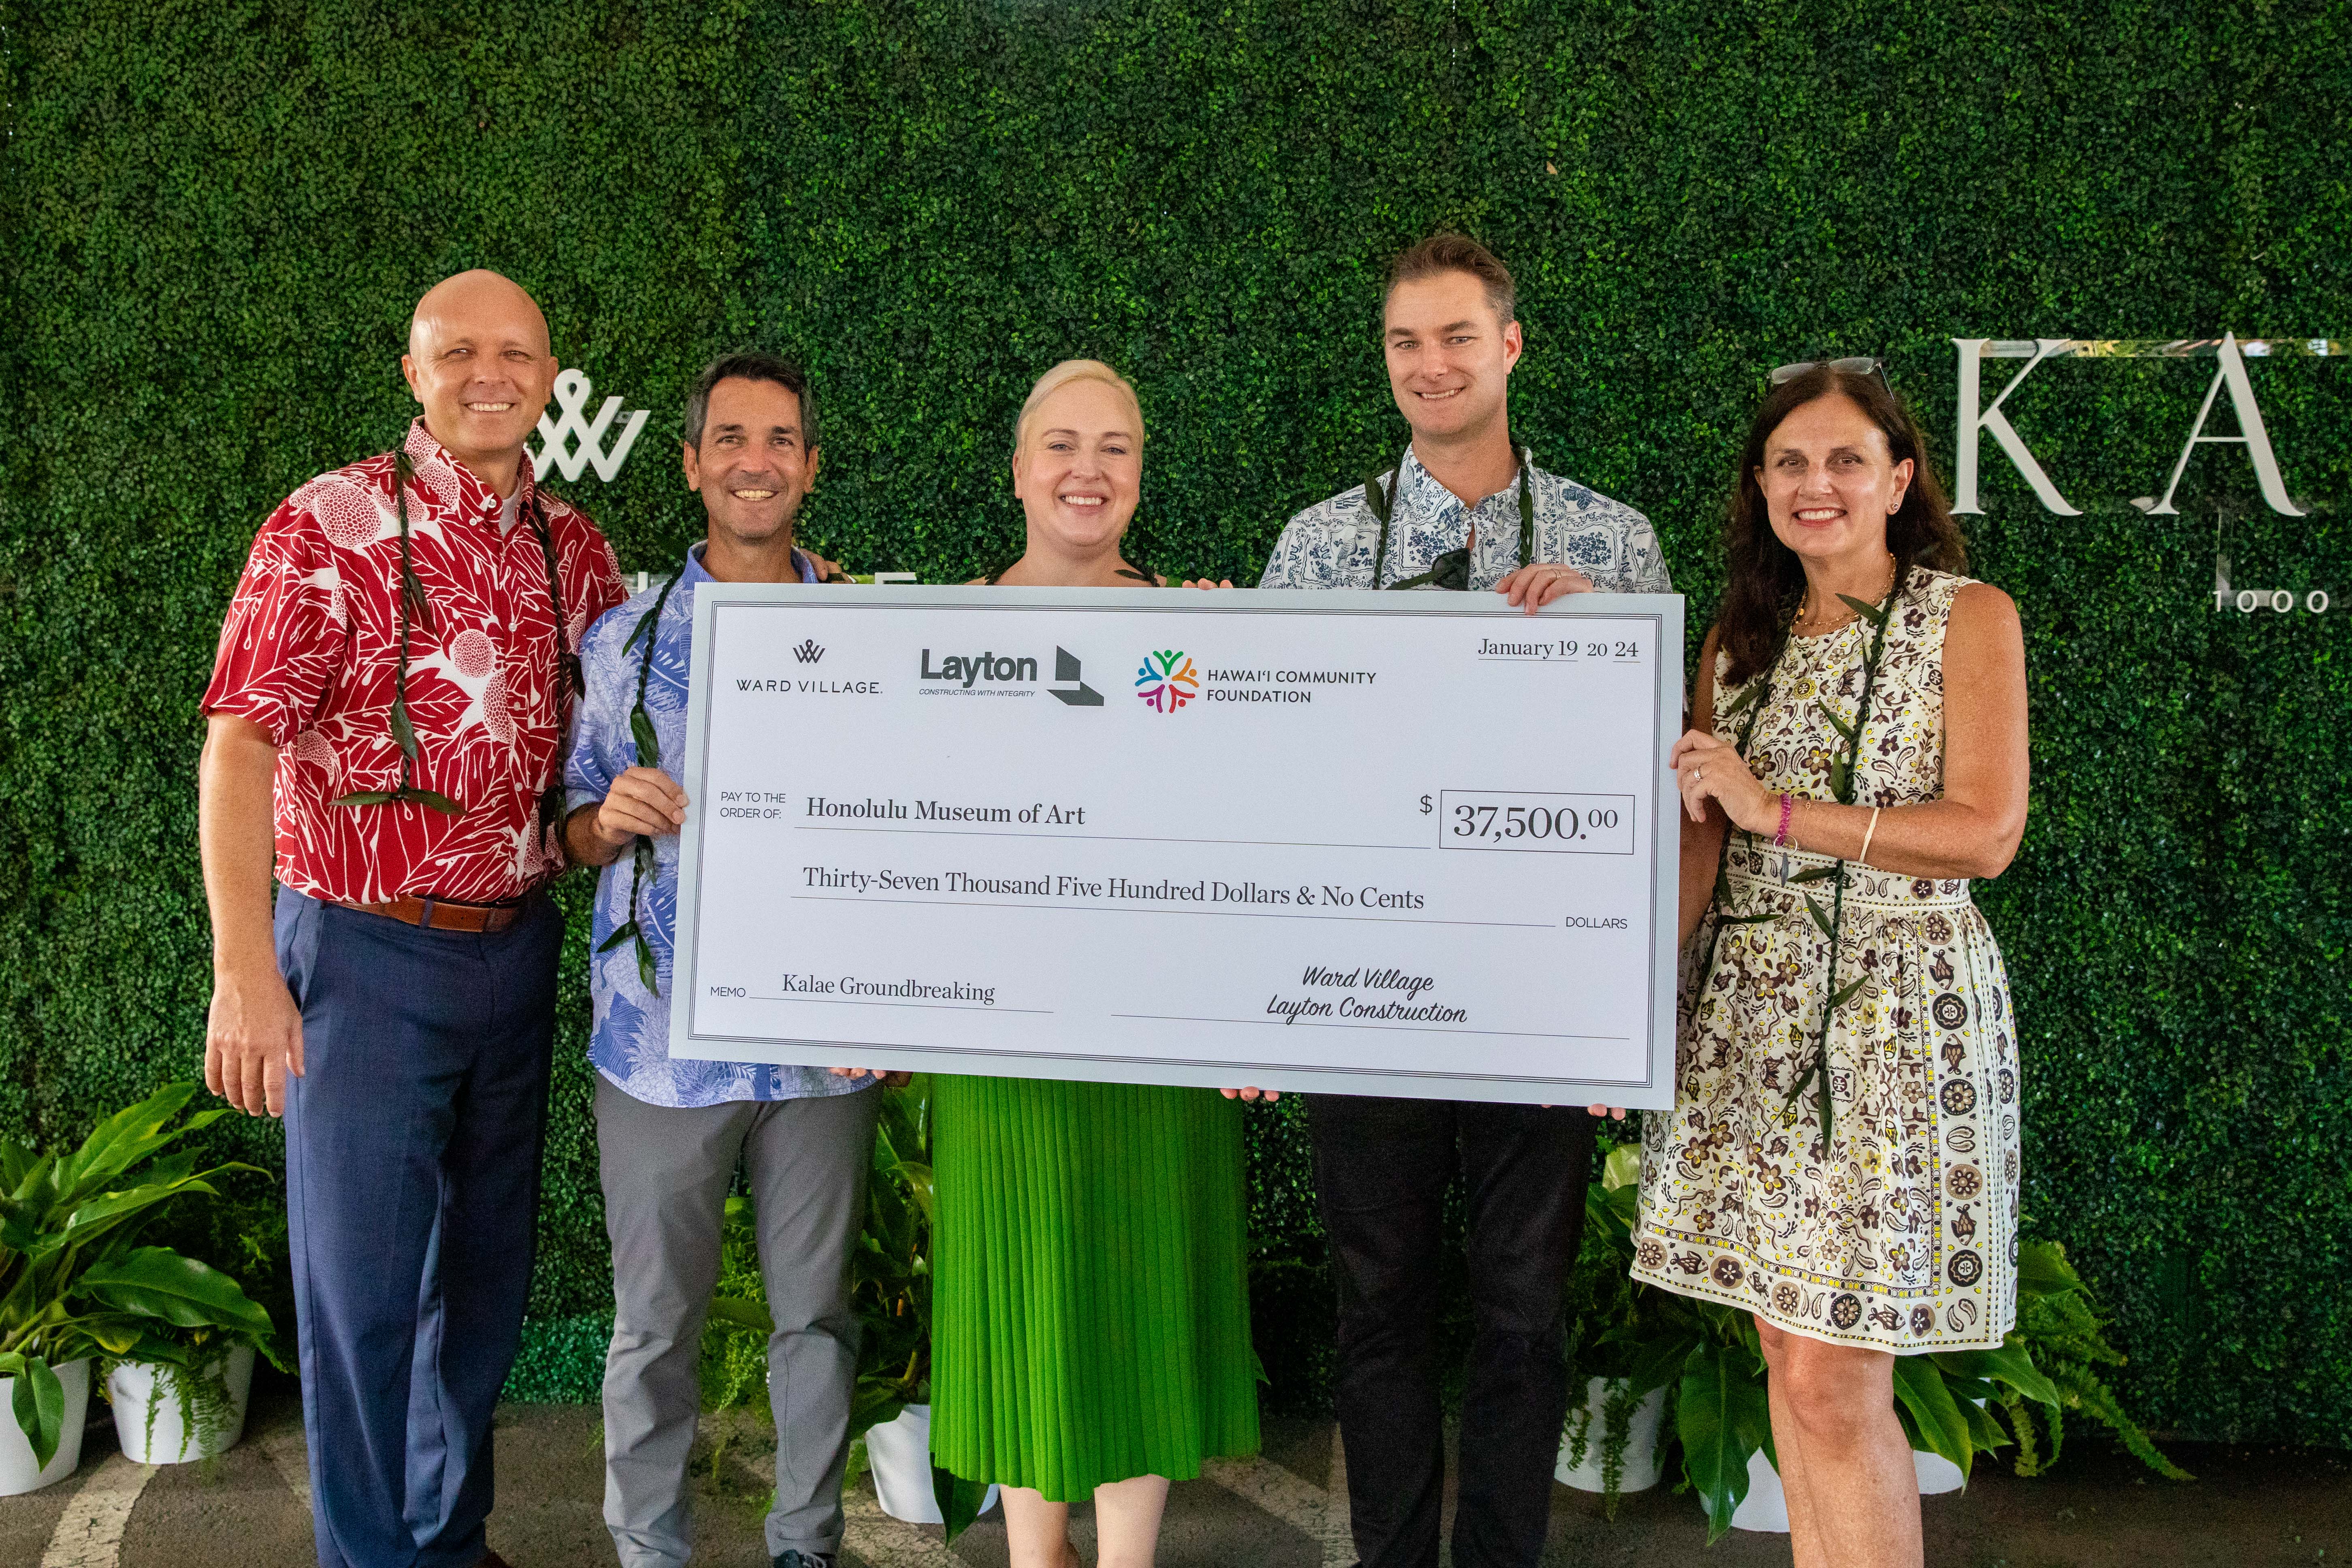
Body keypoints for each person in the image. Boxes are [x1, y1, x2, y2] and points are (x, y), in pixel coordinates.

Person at [1240, 233, 1673, 1568]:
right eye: (1404, 343)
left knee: (1522, 1314)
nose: (1430, 367)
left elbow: (1657, 794)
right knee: (1377, 1311)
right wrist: (1255, 1005)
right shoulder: (1318, 547)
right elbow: (1261, 779)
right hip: (1363, 1001)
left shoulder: (1614, 541)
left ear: (1510, 347)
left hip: (1536, 1005)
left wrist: (1620, 1020)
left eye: (1455, 339)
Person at [199, 269, 628, 1568]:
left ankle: (447, 1541)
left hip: (514, 952)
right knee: (363, 1303)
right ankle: (369, 1557)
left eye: (515, 352)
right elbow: (238, 749)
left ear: (549, 377)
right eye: (459, 351)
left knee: (480, 1295)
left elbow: (619, 751)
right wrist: (245, 973)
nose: (487, 373)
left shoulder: (577, 551)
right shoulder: (325, 525)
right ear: (414, 371)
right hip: (362, 955)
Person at [1635, 361, 2028, 1568]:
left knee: (1830, 1375)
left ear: (1900, 478)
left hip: (1894, 1022)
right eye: (1791, 463)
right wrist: (1630, 1008)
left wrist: (1780, 811)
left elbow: (1986, 832)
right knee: (1785, 1360)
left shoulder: (1968, 616)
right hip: (1748, 1025)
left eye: (1847, 459)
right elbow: (1701, 848)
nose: (1819, 484)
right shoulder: (1735, 643)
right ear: (1758, 488)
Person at [925, 360, 1260, 1568]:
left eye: (1115, 447)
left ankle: (1126, 1559)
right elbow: (887, 830)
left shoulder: (1201, 629)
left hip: (1158, 1037)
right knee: (1021, 1268)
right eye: (1063, 444)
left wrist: (1253, 1018)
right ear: (1019, 471)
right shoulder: (932, 633)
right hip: (998, 1035)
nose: (1087, 469)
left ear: (1138, 476)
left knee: (1137, 1282)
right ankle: (1033, 1553)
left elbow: (1247, 829)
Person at [562, 352, 883, 1568]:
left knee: (816, 1319)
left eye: (782, 440)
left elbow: (915, 831)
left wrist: (899, 1012)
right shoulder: (622, 642)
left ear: (809, 465)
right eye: (732, 439)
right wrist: (610, 821)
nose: (758, 460)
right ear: (692, 462)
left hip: (820, 1055)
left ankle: (805, 1544)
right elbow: (571, 830)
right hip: (661, 1050)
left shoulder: (869, 632)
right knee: (654, 1326)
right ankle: (649, 1549)